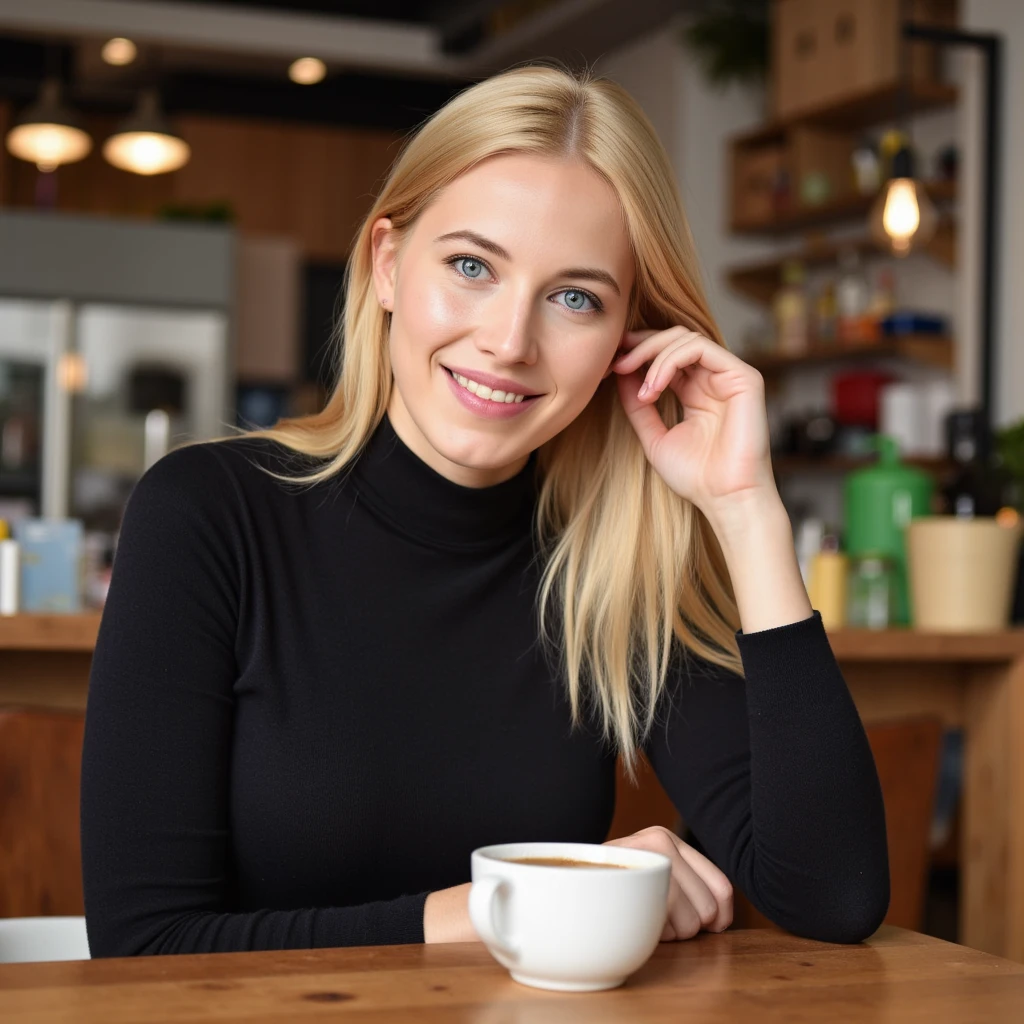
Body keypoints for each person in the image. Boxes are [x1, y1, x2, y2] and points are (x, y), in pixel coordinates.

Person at [80, 64, 889, 957]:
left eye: (575, 297)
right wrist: (523, 903)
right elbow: (142, 946)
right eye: (471, 266)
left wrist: (746, 510)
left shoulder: (613, 564)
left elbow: (834, 895)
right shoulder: (207, 515)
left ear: (630, 343)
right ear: (387, 265)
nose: (509, 342)